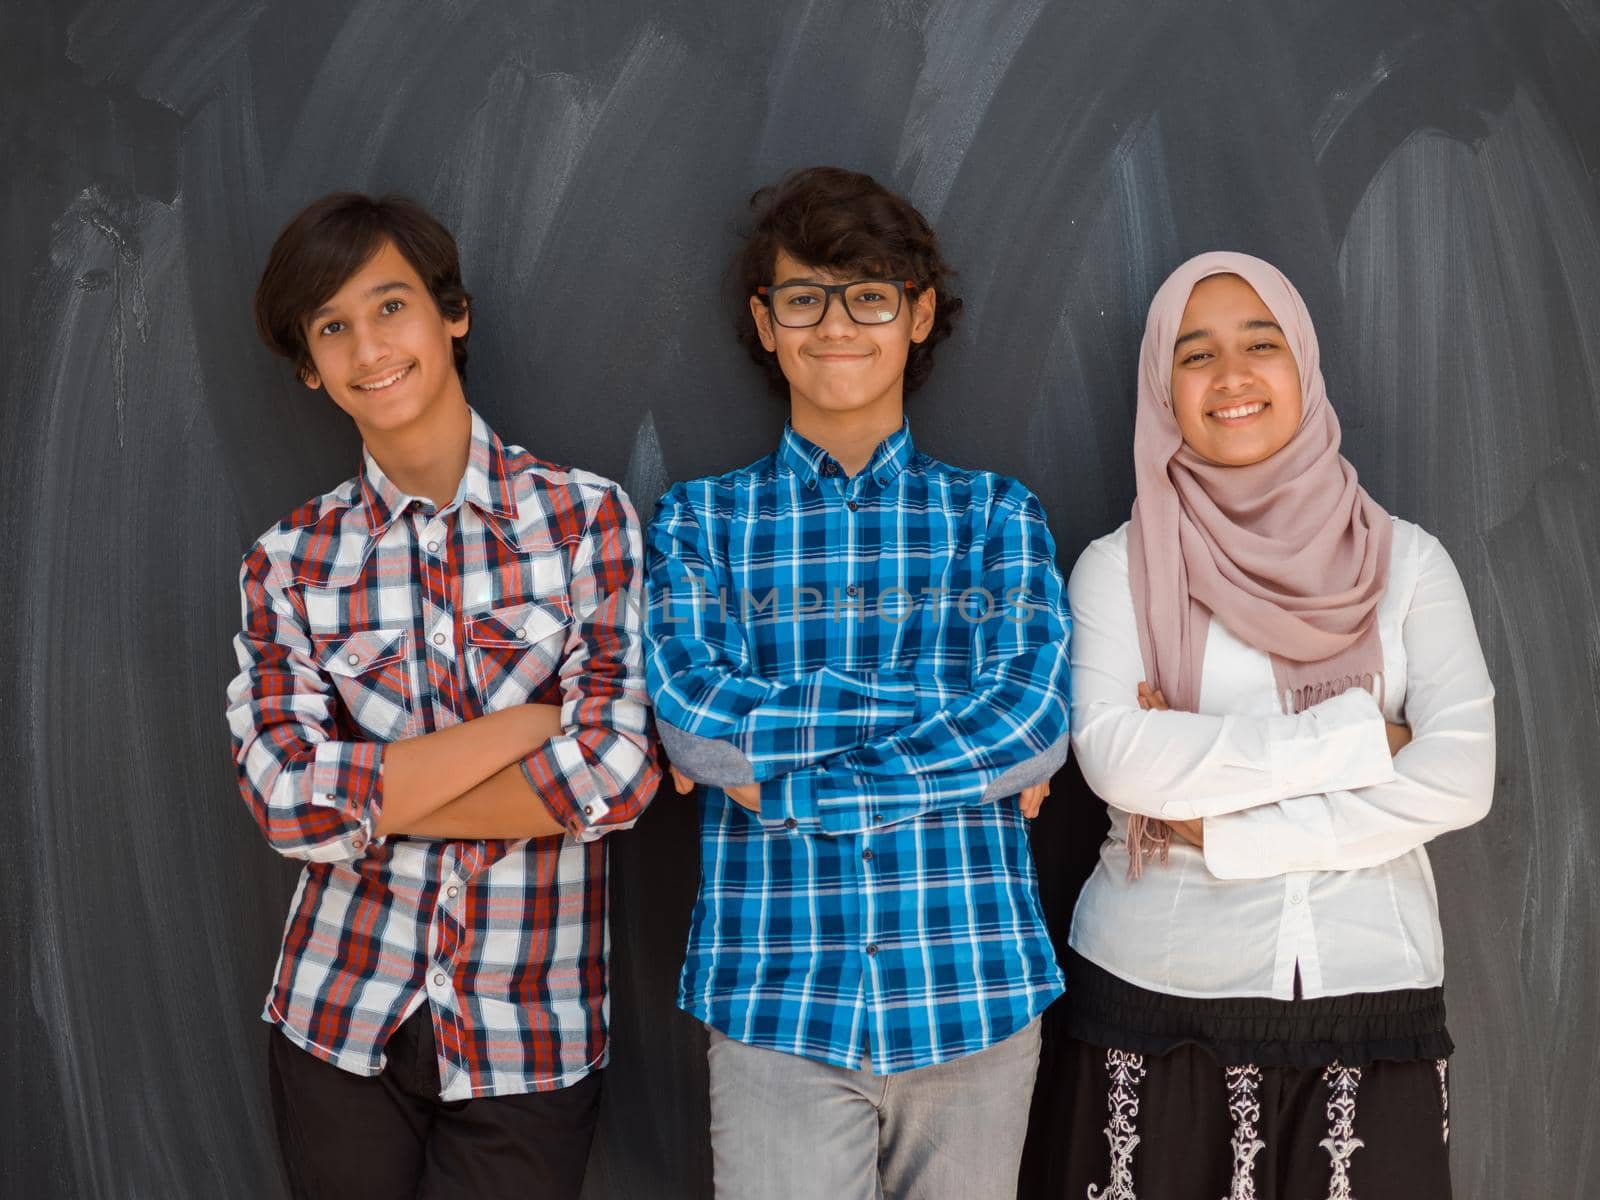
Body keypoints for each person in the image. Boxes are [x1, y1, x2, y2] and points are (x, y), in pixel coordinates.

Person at [644, 165, 1073, 1200]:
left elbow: (1027, 722)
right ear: (766, 320)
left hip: (969, 992)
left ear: (917, 315)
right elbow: (697, 720)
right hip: (775, 1003)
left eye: (869, 295)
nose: (836, 325)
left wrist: (791, 781)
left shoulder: (995, 516)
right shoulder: (701, 522)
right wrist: (932, 717)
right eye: (804, 298)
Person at [225, 192, 659, 1199]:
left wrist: (373, 807)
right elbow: (285, 806)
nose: (368, 347)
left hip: (529, 1028)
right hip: (338, 1018)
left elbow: (618, 773)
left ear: (450, 313)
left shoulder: (583, 520)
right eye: (331, 328)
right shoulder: (289, 562)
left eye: (390, 307)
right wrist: (522, 725)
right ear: (308, 364)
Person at [1057, 251, 1495, 1198]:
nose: (1232, 376)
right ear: (1162, 388)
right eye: (1195, 354)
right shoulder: (1118, 569)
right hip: (1154, 996)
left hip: (1373, 995)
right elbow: (1120, 758)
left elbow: (1461, 775)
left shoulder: (1408, 565)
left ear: (1303, 361)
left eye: (1261, 344)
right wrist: (1356, 744)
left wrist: (1224, 833)